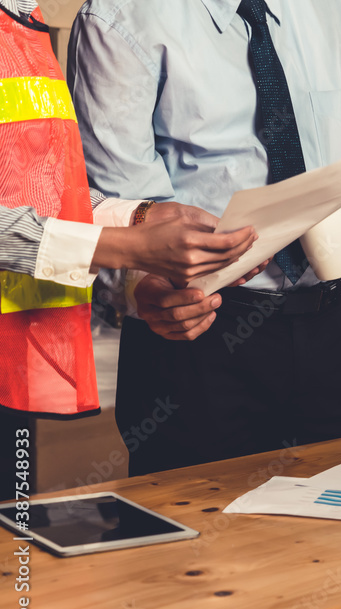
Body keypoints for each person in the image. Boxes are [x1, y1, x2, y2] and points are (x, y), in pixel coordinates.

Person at [69, 0, 341, 475]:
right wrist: (138, 283)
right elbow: (111, 200)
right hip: (200, 336)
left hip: (334, 322)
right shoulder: (120, 16)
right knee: (195, 536)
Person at [1, 0, 258, 489]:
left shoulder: (22, 28)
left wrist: (143, 217)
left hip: (11, 364)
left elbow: (43, 191)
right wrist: (124, 247)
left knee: (12, 554)